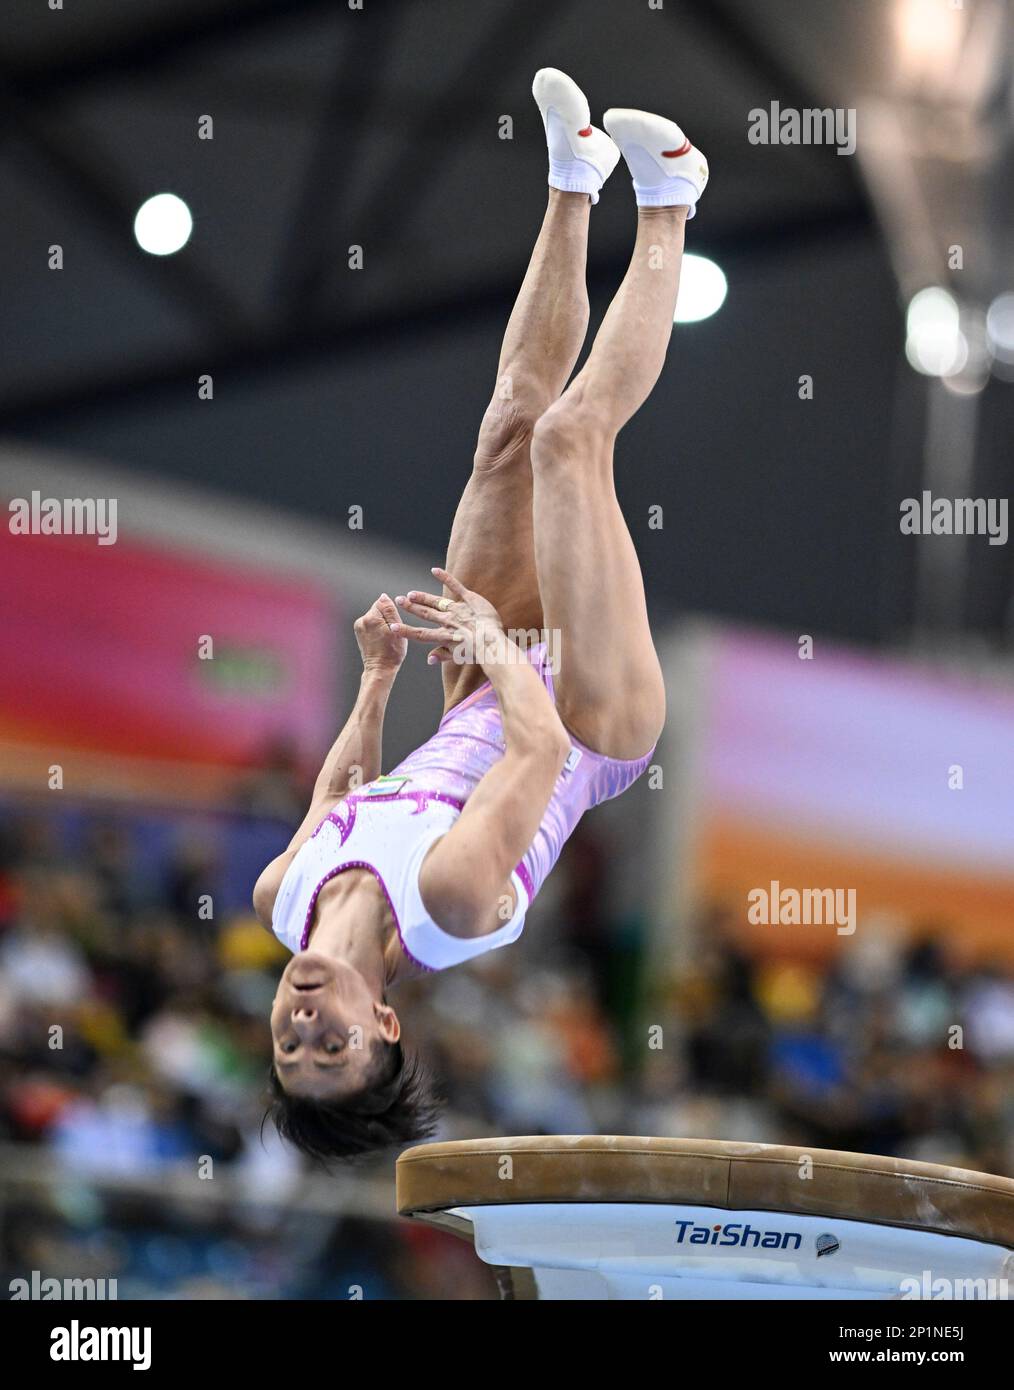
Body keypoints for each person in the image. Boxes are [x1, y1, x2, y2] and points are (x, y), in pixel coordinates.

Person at [252, 68, 709, 1160]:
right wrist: (500, 650)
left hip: (474, 680)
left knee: (509, 424)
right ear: (385, 1022)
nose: (305, 1024)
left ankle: (573, 175)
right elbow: (544, 744)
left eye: (288, 1048)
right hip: (592, 717)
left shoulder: (283, 898)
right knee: (568, 441)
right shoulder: (452, 906)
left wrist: (372, 683)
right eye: (334, 1047)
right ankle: (673, 200)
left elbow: (342, 794)